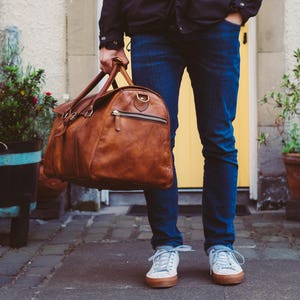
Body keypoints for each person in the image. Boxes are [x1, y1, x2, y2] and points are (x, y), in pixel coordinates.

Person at [99, 0, 262, 288]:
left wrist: (239, 10)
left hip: (215, 26)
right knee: (155, 142)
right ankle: (165, 247)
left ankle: (221, 246)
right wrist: (109, 38)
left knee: (219, 138)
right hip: (151, 30)